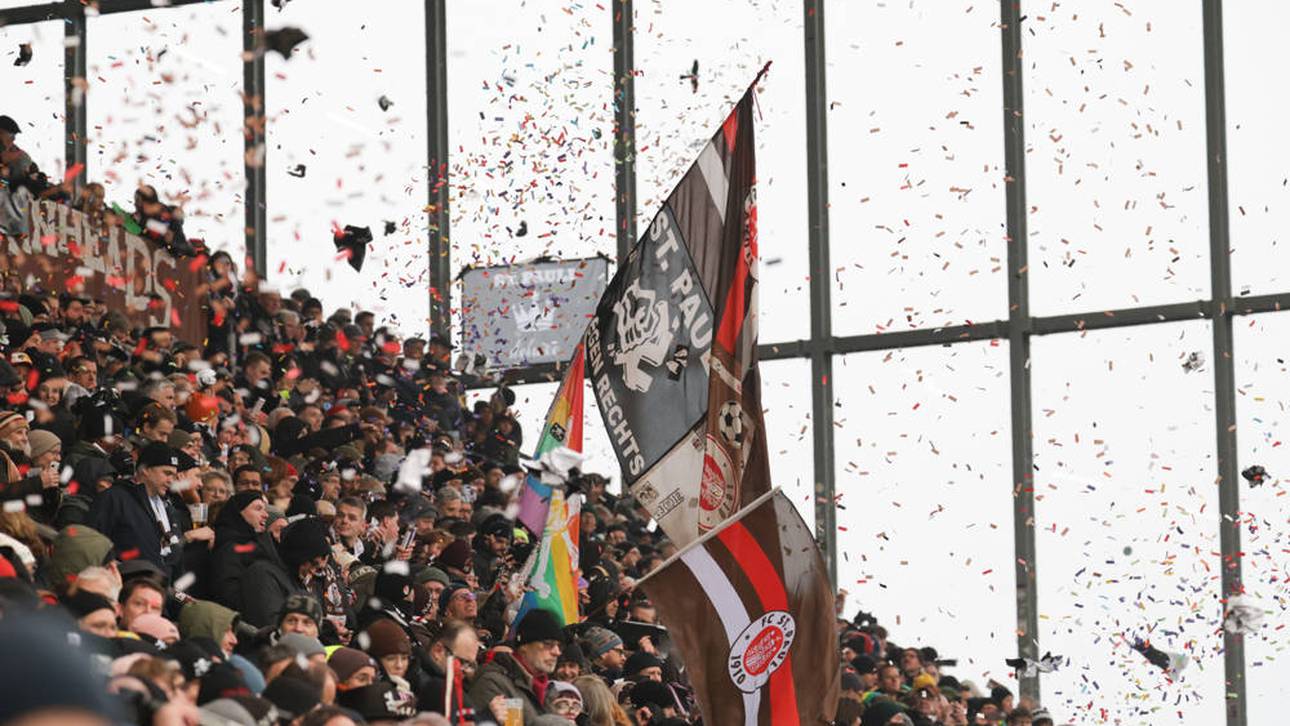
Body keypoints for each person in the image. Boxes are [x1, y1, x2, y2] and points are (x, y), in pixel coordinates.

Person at [88, 443, 211, 579]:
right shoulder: (114, 498)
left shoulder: (168, 506)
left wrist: (180, 595)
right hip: (129, 589)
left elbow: (172, 555)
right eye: (167, 473)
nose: (171, 480)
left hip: (163, 591)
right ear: (145, 469)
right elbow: (93, 547)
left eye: (174, 475)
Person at [468, 609, 564, 722]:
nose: (557, 652)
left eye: (559, 646)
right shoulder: (493, 683)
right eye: (548, 644)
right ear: (524, 646)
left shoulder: (548, 691)